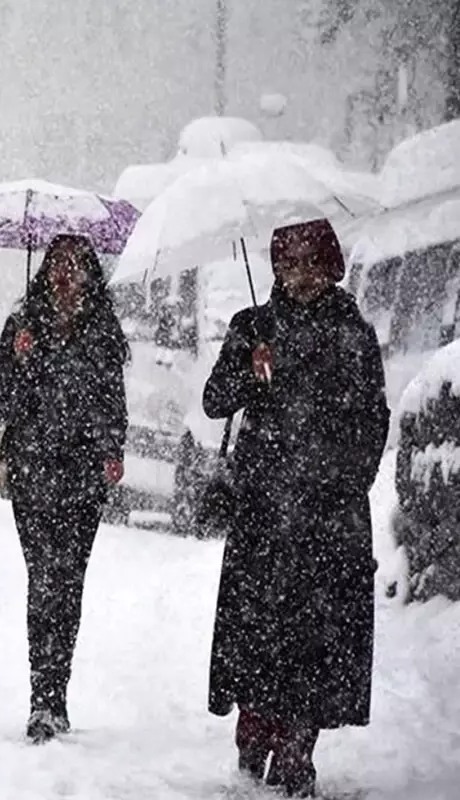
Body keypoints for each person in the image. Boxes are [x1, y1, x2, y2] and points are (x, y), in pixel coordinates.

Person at [203, 219, 389, 797]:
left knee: (317, 640)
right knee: (260, 632)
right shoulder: (252, 326)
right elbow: (214, 402)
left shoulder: (352, 332)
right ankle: (255, 725)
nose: (301, 274)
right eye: (290, 263)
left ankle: (297, 748)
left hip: (328, 516)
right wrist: (247, 369)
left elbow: (372, 421)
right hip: (263, 512)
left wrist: (345, 479)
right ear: (277, 267)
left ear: (331, 265)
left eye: (313, 262)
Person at [0, 234, 129, 743]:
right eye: (58, 266)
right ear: (45, 272)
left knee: (68, 584)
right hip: (33, 475)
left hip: (83, 479)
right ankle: (41, 699)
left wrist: (113, 450)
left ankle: (57, 694)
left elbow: (114, 402)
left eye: (76, 266)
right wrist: (21, 362)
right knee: (44, 579)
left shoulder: (103, 333)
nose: (66, 276)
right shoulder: (22, 327)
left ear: (91, 274)